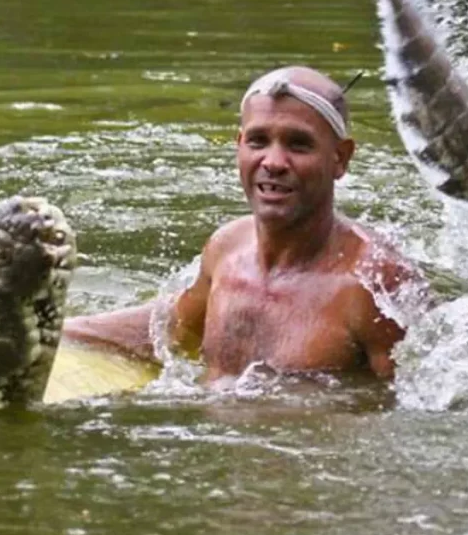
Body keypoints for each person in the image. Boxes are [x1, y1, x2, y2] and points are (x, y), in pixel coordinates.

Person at [62, 65, 428, 384]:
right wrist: (60, 331)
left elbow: (419, 412)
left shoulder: (375, 283)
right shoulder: (226, 247)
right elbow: (171, 332)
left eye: (298, 145)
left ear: (340, 158)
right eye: (258, 141)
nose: (273, 161)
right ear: (239, 146)